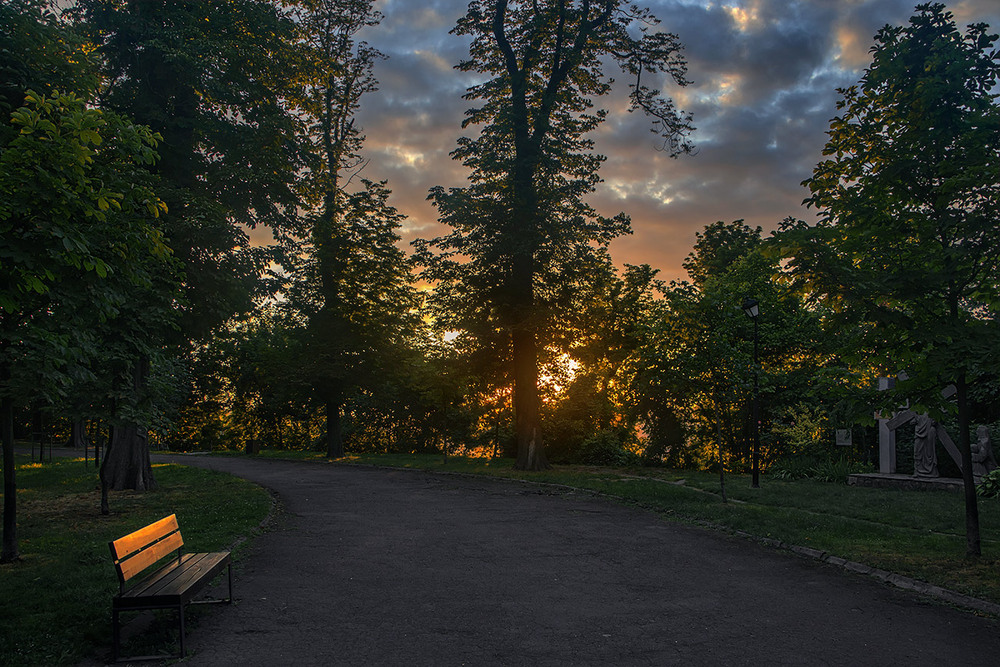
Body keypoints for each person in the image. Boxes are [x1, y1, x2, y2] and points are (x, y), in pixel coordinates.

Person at [913, 413, 939, 478]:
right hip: (919, 433)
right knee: (917, 452)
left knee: (929, 453)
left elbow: (934, 422)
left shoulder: (932, 411)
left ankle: (931, 471)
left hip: (929, 433)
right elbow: (912, 422)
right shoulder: (917, 411)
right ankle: (917, 471)